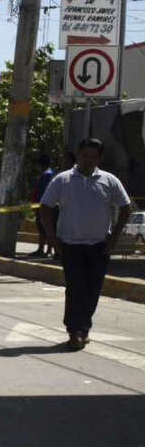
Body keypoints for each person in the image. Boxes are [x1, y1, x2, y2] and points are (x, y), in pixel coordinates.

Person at [40, 138, 131, 351]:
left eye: (93, 156)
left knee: (92, 290)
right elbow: (45, 208)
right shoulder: (62, 180)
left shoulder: (109, 181)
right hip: (70, 246)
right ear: (78, 155)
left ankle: (84, 328)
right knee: (75, 289)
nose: (88, 160)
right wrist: (53, 239)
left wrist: (114, 237)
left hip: (99, 246)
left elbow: (125, 208)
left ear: (99, 158)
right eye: (84, 155)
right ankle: (74, 331)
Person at [31, 154, 56, 257]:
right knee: (42, 229)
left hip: (44, 205)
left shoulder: (47, 175)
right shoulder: (47, 173)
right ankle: (42, 249)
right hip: (42, 204)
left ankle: (47, 250)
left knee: (45, 228)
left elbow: (44, 191)